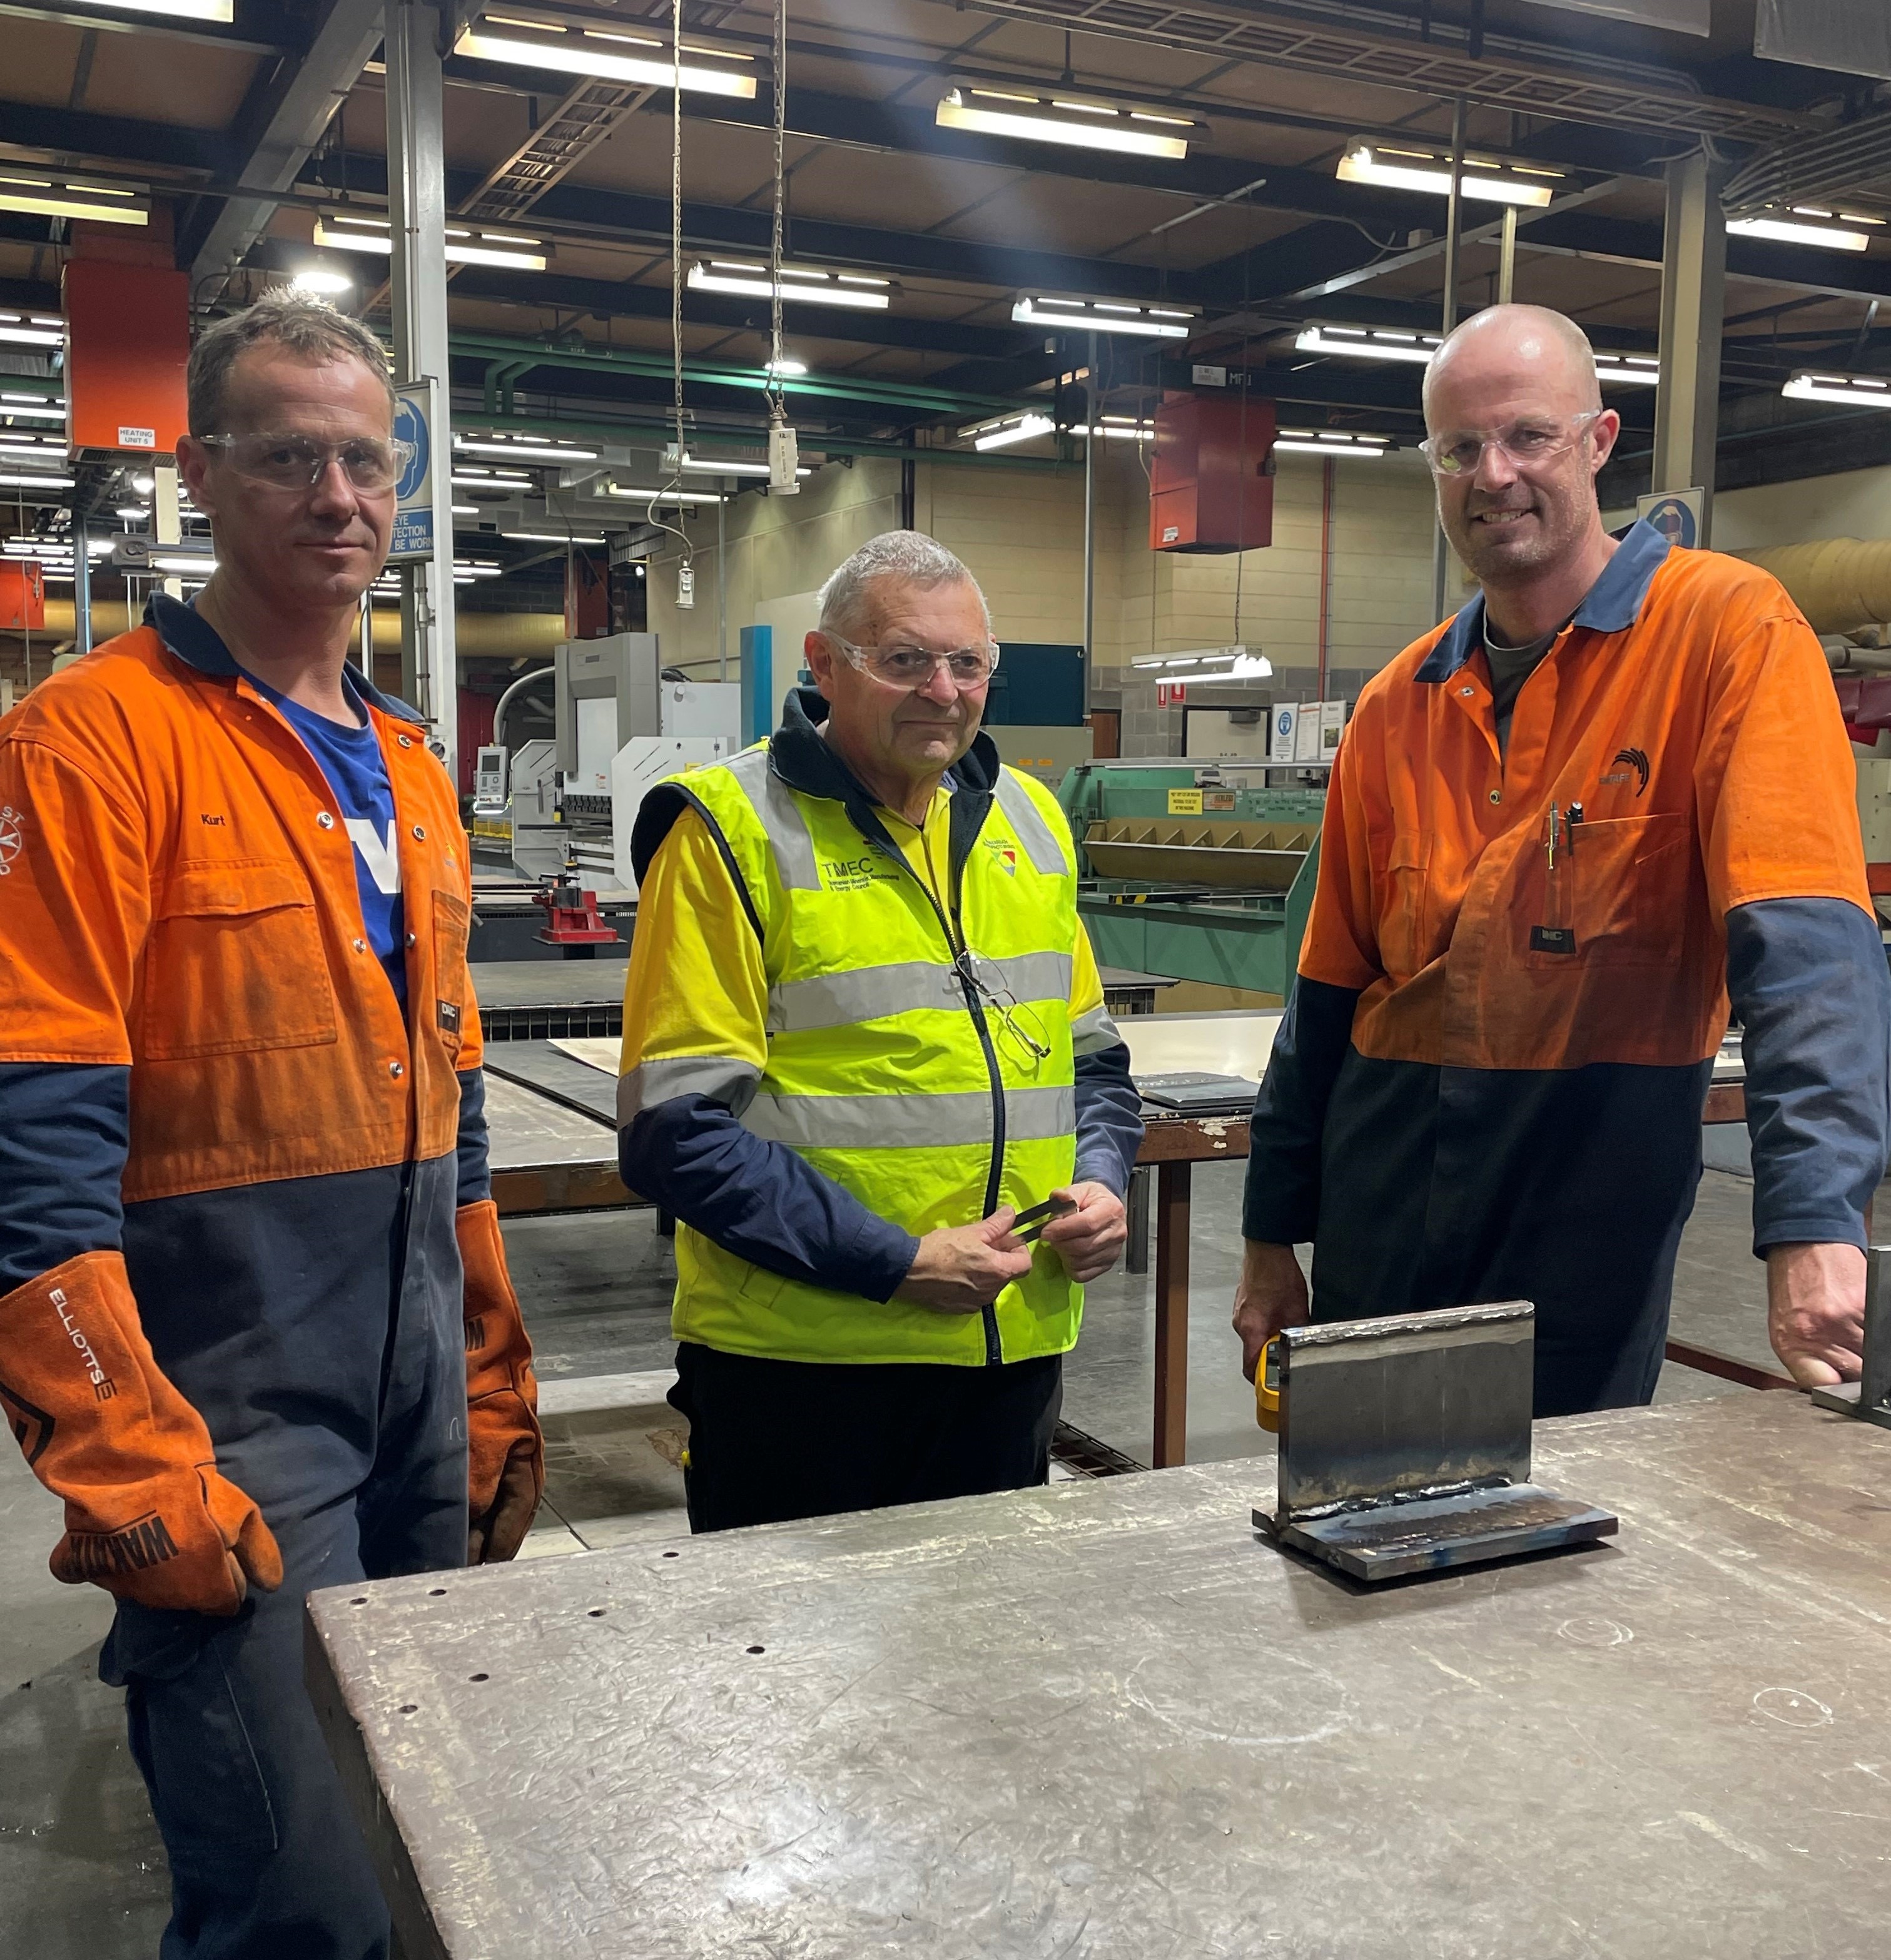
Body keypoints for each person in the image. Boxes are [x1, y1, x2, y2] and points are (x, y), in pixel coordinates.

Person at [0, 295, 542, 1958]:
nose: (337, 496)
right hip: (225, 1403)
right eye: (290, 455)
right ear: (203, 472)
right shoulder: (94, 736)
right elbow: (30, 1145)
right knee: (294, 1894)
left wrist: (494, 1362)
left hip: (415, 1393)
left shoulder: (406, 761)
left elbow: (441, 1111)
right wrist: (118, 1447)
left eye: (366, 460)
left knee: (427, 1839)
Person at [1235, 303, 1890, 1414]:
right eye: (1459, 449)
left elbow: (1809, 951)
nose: (1493, 474)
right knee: (1352, 1523)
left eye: (1528, 436)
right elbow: (1327, 994)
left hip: (1587, 1195)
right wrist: (1267, 1233)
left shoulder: (1728, 633)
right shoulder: (1401, 702)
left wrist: (1817, 1217)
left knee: (1551, 1547)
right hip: (1381, 1189)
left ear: (1599, 441)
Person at [619, 531, 1143, 1531]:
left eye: (967, 662)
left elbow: (1095, 1066)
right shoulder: (732, 830)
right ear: (824, 664)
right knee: (798, 1681)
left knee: (978, 1669)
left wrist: (1105, 1179)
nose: (941, 690)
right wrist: (897, 1262)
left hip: (1007, 1363)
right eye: (903, 659)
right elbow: (672, 1131)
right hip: (807, 1377)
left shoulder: (1028, 824)